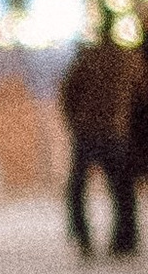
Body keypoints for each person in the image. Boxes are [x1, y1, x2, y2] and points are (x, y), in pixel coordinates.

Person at [60, 22, 141, 260]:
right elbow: (141, 94)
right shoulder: (128, 60)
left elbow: (68, 92)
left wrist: (74, 121)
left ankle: (82, 237)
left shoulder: (87, 59)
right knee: (122, 190)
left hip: (88, 131)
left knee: (77, 189)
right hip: (115, 132)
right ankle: (124, 241)